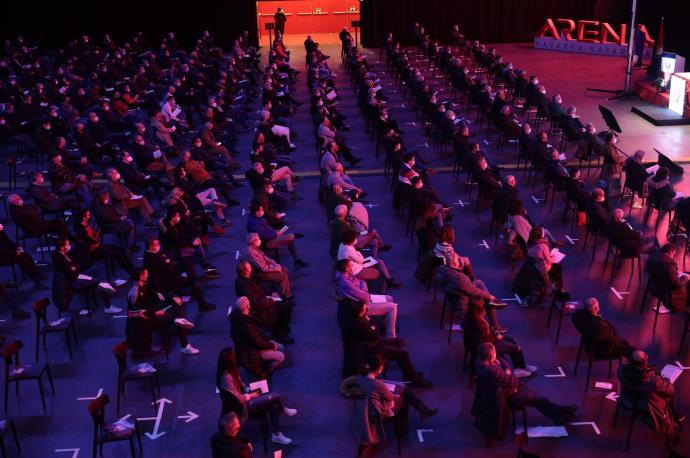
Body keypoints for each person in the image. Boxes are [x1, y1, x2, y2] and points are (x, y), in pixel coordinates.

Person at [341, 354, 438, 456]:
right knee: (403, 396)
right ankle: (402, 427)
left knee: (402, 394)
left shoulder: (359, 380)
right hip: (377, 411)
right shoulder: (378, 384)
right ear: (379, 368)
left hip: (362, 411)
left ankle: (421, 411)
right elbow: (390, 397)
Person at [475, 342, 577, 425]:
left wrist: (506, 370)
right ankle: (558, 415)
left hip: (508, 388)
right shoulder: (492, 371)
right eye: (494, 353)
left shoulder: (479, 361)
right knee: (539, 400)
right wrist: (508, 371)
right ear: (491, 356)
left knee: (539, 398)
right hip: (507, 395)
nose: (496, 354)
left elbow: (501, 361)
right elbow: (512, 379)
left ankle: (559, 411)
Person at [216, 347, 296, 446]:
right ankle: (282, 410)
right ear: (230, 360)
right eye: (234, 356)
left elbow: (240, 383)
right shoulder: (226, 377)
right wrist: (250, 395)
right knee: (276, 396)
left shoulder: (232, 370)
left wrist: (249, 389)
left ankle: (276, 435)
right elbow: (237, 399)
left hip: (245, 398)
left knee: (274, 404)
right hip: (243, 407)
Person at [344, 300, 432, 388]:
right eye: (364, 309)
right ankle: (414, 379)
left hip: (371, 344)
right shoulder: (358, 326)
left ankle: (409, 373)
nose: (367, 309)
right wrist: (372, 327)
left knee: (396, 343)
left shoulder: (352, 320)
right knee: (403, 354)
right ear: (360, 314)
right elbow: (375, 334)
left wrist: (372, 327)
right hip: (372, 351)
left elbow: (373, 332)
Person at [126, 268, 199, 355]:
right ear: (140, 276)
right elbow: (136, 313)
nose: (148, 275)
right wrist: (155, 313)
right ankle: (184, 342)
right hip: (143, 322)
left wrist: (172, 297)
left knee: (176, 303)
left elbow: (158, 297)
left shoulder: (145, 285)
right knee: (174, 318)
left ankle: (178, 320)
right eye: (146, 274)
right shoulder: (133, 293)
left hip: (151, 312)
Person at [464, 299, 536, 377]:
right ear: (480, 309)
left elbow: (483, 335)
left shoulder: (469, 317)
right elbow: (487, 339)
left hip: (479, 343)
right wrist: (497, 337)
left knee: (511, 340)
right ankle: (519, 369)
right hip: (486, 347)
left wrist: (493, 333)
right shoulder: (480, 323)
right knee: (517, 348)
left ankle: (521, 366)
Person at [617, 351, 684, 434]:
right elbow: (670, 391)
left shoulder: (621, 370)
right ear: (645, 362)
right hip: (644, 406)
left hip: (626, 399)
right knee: (666, 394)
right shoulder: (652, 381)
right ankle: (673, 415)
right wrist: (665, 381)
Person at [335, 259, 399, 338]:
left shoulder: (347, 275)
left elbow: (361, 281)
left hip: (364, 298)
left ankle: (384, 325)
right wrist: (364, 290)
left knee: (389, 298)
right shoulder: (345, 283)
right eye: (350, 266)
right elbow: (364, 296)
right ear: (346, 268)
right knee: (393, 307)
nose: (352, 267)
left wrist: (362, 290)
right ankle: (391, 336)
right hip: (363, 305)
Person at [235, 260, 294, 343]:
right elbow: (258, 303)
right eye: (249, 268)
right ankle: (280, 334)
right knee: (286, 307)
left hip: (262, 300)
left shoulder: (245, 280)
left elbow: (258, 290)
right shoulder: (244, 285)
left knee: (282, 298)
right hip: (258, 310)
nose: (251, 269)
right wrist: (271, 300)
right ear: (246, 271)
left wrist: (270, 293)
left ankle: (281, 327)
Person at [229, 297, 285, 379]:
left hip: (247, 349)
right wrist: (272, 345)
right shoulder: (246, 325)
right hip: (251, 353)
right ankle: (266, 371)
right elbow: (258, 343)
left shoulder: (238, 319)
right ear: (248, 306)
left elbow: (257, 337)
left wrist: (269, 342)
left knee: (281, 347)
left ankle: (266, 361)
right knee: (281, 356)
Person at [246, 203, 308, 268]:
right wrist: (275, 234)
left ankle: (297, 260)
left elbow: (266, 228)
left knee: (290, 239)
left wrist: (275, 231)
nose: (262, 211)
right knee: (290, 237)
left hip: (270, 237)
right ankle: (293, 237)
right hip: (266, 242)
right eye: (261, 210)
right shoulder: (253, 223)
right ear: (256, 212)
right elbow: (264, 236)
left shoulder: (256, 218)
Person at [571, 297, 636, 359]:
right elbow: (612, 342)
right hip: (598, 350)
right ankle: (636, 364)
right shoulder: (601, 327)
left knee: (624, 345)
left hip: (586, 343)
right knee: (629, 349)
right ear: (596, 308)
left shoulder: (577, 315)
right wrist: (622, 343)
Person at [244, 233, 293, 301]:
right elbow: (263, 268)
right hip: (260, 273)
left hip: (266, 268)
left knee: (285, 270)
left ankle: (286, 290)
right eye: (257, 239)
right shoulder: (251, 253)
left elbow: (265, 258)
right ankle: (286, 296)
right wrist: (276, 268)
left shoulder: (255, 248)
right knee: (282, 275)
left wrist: (273, 263)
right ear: (253, 242)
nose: (259, 240)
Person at [645, 244, 687, 313]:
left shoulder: (652, 259)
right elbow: (676, 285)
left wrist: (674, 274)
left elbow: (665, 274)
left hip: (654, 286)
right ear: (670, 253)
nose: (673, 256)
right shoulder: (669, 266)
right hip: (667, 293)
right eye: (673, 254)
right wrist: (684, 279)